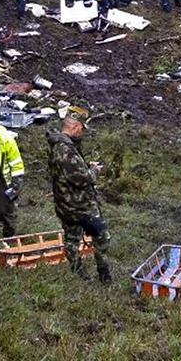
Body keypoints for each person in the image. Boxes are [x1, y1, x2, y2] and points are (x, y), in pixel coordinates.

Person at [47, 113, 112, 282]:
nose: (82, 132)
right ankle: (103, 275)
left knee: (71, 239)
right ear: (74, 127)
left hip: (65, 204)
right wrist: (94, 170)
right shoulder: (65, 150)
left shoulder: (58, 145)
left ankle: (79, 272)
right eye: (81, 128)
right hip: (81, 208)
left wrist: (86, 165)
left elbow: (70, 171)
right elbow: (82, 179)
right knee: (100, 237)